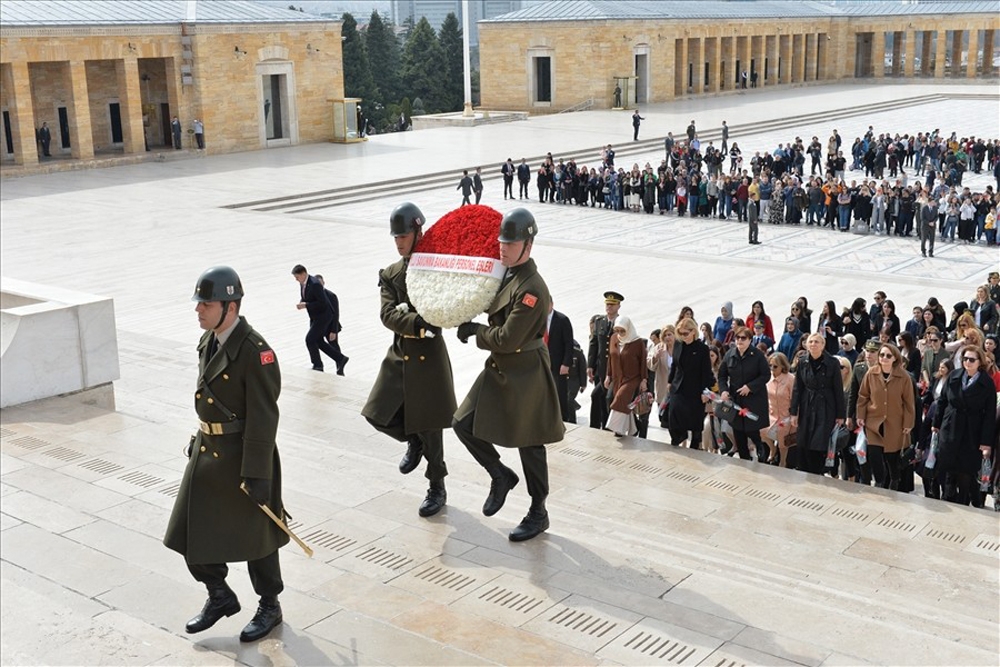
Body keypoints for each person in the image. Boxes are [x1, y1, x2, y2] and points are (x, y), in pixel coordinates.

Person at [164, 266, 287, 643]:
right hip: (207, 448)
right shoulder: (210, 340)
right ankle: (219, 595)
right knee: (186, 531)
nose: (198, 310)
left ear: (230, 307)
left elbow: (265, 416)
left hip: (244, 456)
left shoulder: (255, 351)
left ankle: (270, 605)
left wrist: (257, 473)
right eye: (199, 303)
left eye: (207, 303)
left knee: (258, 537)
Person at [453, 208, 564, 542]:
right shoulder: (508, 273)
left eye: (511, 242)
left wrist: (475, 330)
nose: (503, 247)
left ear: (528, 245)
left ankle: (538, 511)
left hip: (525, 371)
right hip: (502, 368)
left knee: (530, 444)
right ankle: (500, 474)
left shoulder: (532, 288)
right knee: (462, 423)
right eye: (502, 241)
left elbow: (506, 339)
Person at [362, 203, 457, 517]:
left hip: (429, 359)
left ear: (418, 232)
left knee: (432, 428)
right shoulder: (391, 274)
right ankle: (412, 439)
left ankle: (436, 487)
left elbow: (441, 313)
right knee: (377, 414)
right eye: (396, 237)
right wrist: (416, 323)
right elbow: (387, 315)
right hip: (400, 355)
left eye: (404, 235)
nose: (399, 241)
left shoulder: (436, 269)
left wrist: (420, 319)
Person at [932, 345, 997, 506]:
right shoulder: (954, 375)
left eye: (971, 359)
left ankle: (963, 502)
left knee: (965, 471)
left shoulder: (986, 383)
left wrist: (986, 442)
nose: (967, 362)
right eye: (965, 359)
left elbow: (989, 415)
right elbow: (942, 401)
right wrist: (936, 424)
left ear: (979, 362)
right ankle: (947, 499)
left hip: (972, 432)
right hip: (950, 427)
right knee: (948, 467)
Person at [856, 343, 916, 490]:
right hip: (874, 421)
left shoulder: (904, 377)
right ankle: (879, 482)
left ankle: (895, 480)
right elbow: (863, 396)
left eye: (888, 355)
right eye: (882, 355)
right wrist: (860, 415)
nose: (884, 358)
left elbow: (909, 403)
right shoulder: (871, 373)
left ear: (895, 358)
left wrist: (908, 423)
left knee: (892, 457)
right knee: (875, 454)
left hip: (894, 423)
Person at [790, 333, 846, 475]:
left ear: (823, 345)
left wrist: (840, 414)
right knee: (804, 439)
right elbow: (797, 388)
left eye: (817, 342)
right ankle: (805, 470)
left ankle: (818, 471)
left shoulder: (832, 362)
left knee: (820, 440)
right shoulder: (803, 362)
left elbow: (838, 390)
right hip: (807, 403)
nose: (813, 344)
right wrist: (793, 412)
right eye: (811, 342)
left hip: (826, 405)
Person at [719, 325, 770, 461]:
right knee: (738, 429)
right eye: (737, 338)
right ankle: (744, 459)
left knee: (751, 428)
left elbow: (766, 375)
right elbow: (722, 376)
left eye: (743, 338)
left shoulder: (757, 355)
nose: (740, 341)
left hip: (753, 398)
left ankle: (759, 446)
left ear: (750, 340)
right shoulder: (730, 354)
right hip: (736, 399)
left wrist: (750, 387)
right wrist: (723, 390)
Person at [292, 264, 348, 374]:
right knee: (317, 340)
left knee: (309, 339)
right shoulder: (303, 283)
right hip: (315, 317)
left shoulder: (315, 284)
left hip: (323, 318)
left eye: (297, 277)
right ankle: (340, 359)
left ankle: (318, 365)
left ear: (303, 274)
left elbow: (322, 304)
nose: (296, 279)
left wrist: (306, 305)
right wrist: (302, 302)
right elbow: (307, 296)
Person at [667, 318, 714, 448]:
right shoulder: (678, 344)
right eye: (680, 334)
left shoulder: (702, 349)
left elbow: (706, 372)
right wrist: (670, 381)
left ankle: (695, 446)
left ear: (693, 332)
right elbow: (675, 365)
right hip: (679, 386)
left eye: (685, 334)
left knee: (695, 421)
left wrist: (705, 391)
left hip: (696, 389)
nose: (683, 337)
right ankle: (679, 437)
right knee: (673, 415)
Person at [604, 315, 647, 437]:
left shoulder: (637, 342)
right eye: (617, 330)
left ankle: (616, 429)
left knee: (620, 398)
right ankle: (634, 427)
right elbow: (611, 358)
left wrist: (644, 380)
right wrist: (608, 375)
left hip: (632, 378)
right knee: (611, 399)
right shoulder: (614, 339)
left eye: (622, 330)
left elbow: (643, 361)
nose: (619, 333)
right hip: (618, 377)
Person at [588, 291, 624, 430]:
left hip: (615, 370)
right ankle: (598, 427)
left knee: (604, 397)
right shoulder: (599, 321)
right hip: (600, 368)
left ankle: (606, 427)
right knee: (600, 399)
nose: (609, 307)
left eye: (612, 305)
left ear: (618, 306)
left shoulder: (622, 322)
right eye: (607, 304)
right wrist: (590, 365)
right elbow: (594, 343)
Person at [762, 352, 797, 467]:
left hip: (786, 416)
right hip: (771, 414)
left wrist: (794, 416)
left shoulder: (790, 379)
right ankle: (772, 449)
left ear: (783, 366)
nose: (772, 368)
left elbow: (795, 399)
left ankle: (783, 461)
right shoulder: (768, 378)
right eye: (770, 365)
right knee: (761, 431)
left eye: (775, 366)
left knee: (783, 443)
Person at [546, 300, 575, 422]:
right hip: (543, 363)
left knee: (560, 393)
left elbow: (569, 343)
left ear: (552, 304)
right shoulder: (537, 319)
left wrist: (566, 363)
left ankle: (564, 419)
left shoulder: (562, 319)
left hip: (559, 364)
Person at [314, 274, 347, 369]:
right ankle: (318, 365)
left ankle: (339, 366)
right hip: (319, 326)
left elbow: (336, 314)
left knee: (334, 346)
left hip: (330, 326)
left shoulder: (331, 296)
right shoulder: (313, 296)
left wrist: (334, 331)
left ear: (324, 283)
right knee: (316, 343)